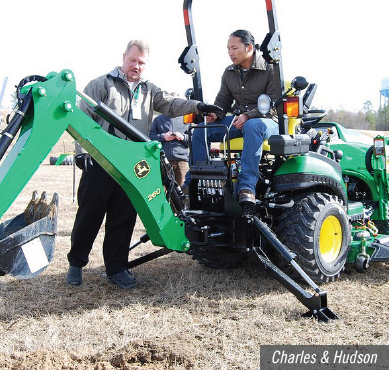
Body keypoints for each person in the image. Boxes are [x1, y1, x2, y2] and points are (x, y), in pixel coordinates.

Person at [67, 39, 220, 289]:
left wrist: (199, 106)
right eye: (133, 60)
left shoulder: (149, 90)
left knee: (123, 217)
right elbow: (81, 119)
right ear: (124, 57)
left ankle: (116, 268)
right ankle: (76, 264)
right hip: (101, 162)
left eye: (141, 63)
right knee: (89, 215)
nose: (136, 66)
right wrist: (83, 154)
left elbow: (171, 103)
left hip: (133, 167)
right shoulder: (101, 84)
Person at [188, 29, 278, 205]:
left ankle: (247, 187)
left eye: (234, 48)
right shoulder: (229, 72)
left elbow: (273, 104)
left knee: (253, 126)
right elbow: (223, 100)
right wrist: (215, 113)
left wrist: (248, 115)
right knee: (201, 131)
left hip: (267, 122)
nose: (230, 53)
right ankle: (196, 182)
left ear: (249, 47)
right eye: (228, 49)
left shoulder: (270, 69)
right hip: (239, 121)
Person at [149, 93, 189, 187]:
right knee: (162, 188)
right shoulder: (158, 120)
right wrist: (163, 137)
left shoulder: (187, 120)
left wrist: (183, 137)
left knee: (181, 188)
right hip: (163, 160)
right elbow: (150, 138)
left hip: (182, 162)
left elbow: (193, 139)